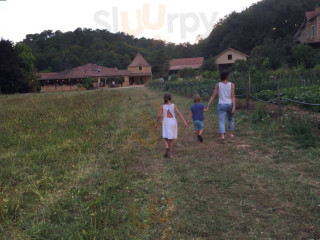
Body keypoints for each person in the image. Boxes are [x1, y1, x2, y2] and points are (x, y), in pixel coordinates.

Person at [154, 93, 188, 158]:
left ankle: (167, 146)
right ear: (171, 98)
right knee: (171, 139)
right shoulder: (174, 105)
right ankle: (170, 153)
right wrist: (185, 122)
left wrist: (156, 123)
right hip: (173, 122)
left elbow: (159, 116)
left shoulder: (162, 106)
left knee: (165, 137)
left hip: (166, 122)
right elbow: (179, 114)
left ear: (164, 99)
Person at [207, 71, 236, 142]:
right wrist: (234, 106)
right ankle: (231, 134)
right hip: (229, 104)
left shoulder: (218, 85)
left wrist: (208, 104)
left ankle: (222, 135)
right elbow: (233, 96)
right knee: (231, 119)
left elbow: (214, 95)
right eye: (228, 75)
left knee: (221, 121)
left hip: (221, 105)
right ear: (226, 76)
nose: (229, 76)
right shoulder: (232, 84)